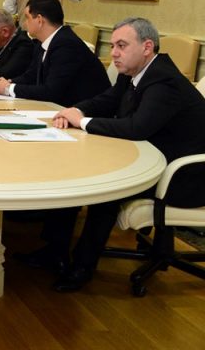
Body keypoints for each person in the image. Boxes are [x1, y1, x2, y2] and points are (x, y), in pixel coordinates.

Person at [35, 19, 205, 292]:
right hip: (157, 159)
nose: (113, 52)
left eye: (121, 46)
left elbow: (137, 128)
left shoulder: (164, 81)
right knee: (73, 171)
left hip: (186, 177)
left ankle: (82, 267)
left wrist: (82, 122)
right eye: (113, 45)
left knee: (104, 188)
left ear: (147, 47)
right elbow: (108, 100)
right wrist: (75, 110)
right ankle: (54, 252)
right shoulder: (135, 71)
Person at [0, 0, 108, 106]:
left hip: (86, 113)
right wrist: (6, 82)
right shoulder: (43, 42)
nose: (24, 23)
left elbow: (51, 91)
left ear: (39, 20)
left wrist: (8, 89)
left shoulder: (66, 44)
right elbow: (30, 76)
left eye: (27, 18)